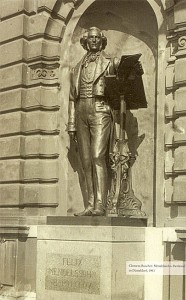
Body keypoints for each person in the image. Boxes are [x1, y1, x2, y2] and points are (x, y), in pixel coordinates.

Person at [67, 27, 119, 216]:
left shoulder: (110, 62)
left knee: (98, 156)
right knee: (86, 160)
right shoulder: (77, 67)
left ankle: (100, 204)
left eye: (97, 38)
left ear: (102, 41)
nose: (94, 41)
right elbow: (72, 97)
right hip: (81, 111)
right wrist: (71, 123)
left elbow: (118, 90)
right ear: (85, 41)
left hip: (100, 110)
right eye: (91, 38)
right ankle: (90, 204)